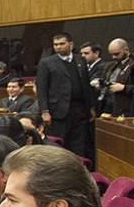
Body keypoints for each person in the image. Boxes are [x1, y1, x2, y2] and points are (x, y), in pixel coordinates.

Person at [37, 32, 93, 162]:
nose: (58, 47)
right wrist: (45, 111)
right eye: (56, 45)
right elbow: (42, 89)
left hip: (80, 110)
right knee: (60, 145)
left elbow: (86, 84)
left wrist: (91, 107)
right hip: (58, 112)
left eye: (62, 44)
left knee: (79, 144)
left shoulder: (80, 60)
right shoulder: (47, 63)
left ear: (71, 44)